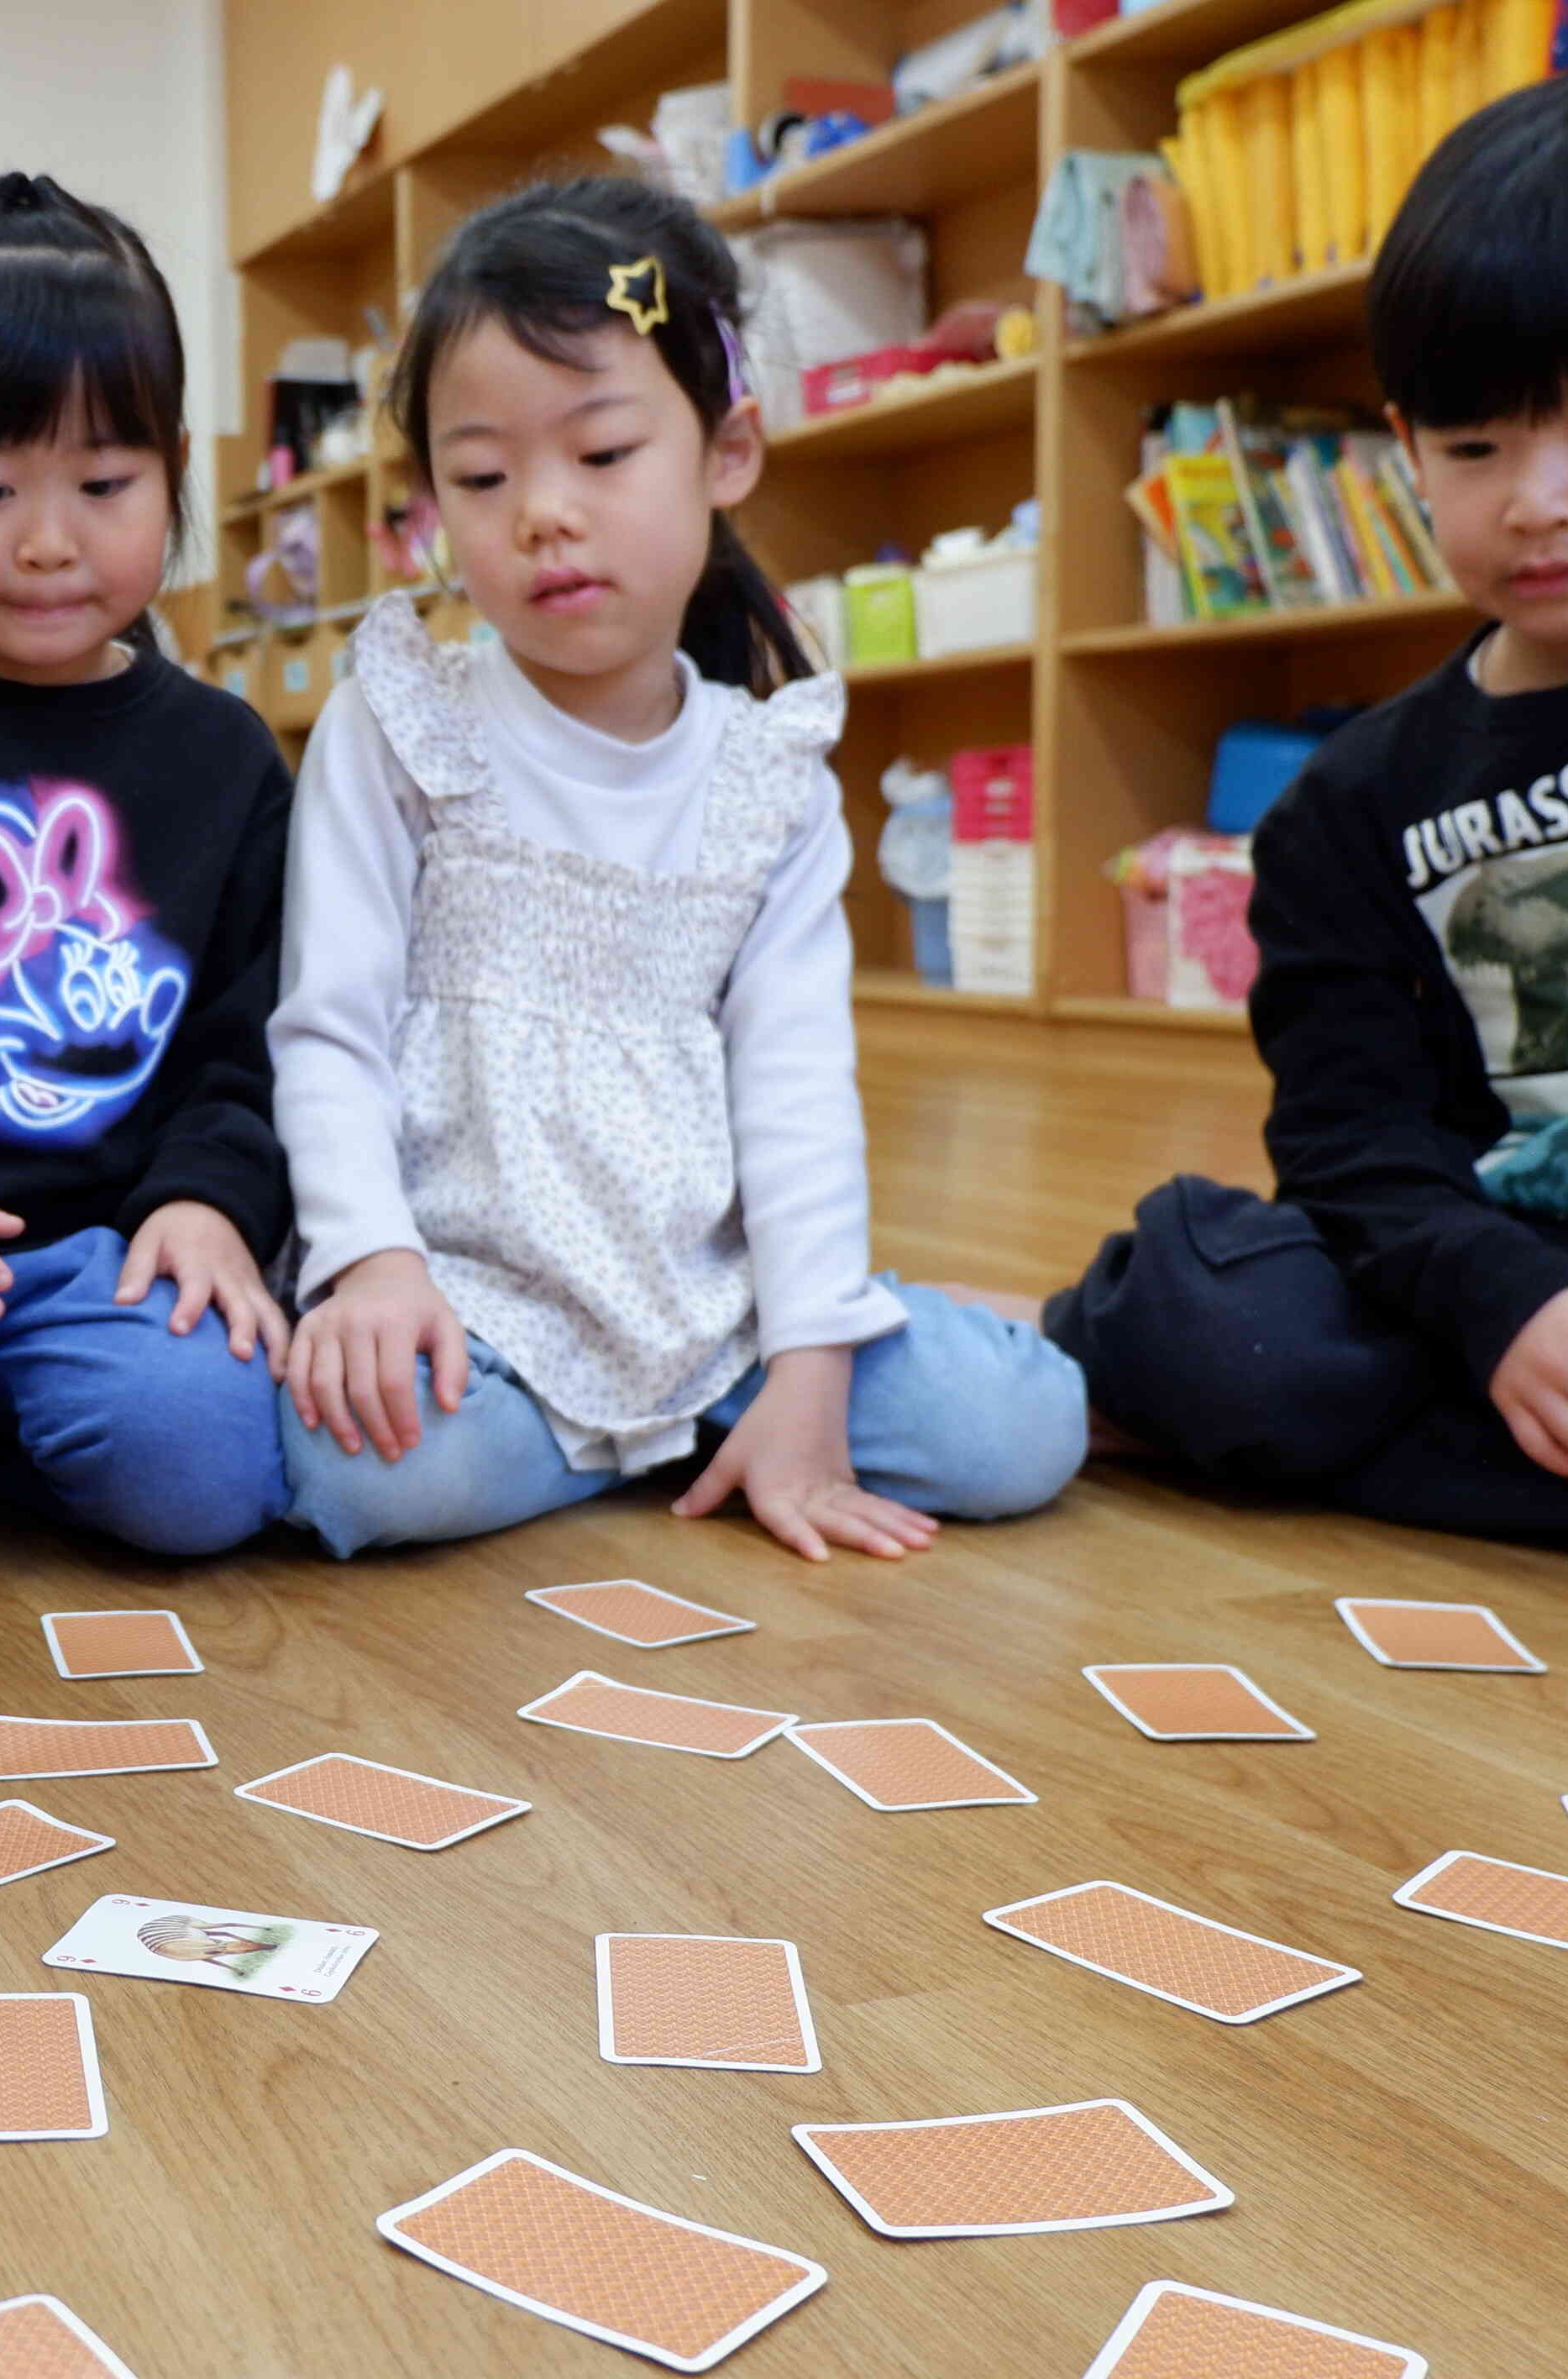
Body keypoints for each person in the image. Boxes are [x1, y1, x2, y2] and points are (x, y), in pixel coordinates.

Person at [268, 178, 1086, 1562]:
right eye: (482, 478)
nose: (541, 514)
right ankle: (632, 1434)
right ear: (430, 510)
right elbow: (328, 1028)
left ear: (727, 452)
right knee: (371, 1479)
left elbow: (795, 1080)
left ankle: (728, 1407)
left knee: (1021, 1427)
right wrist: (368, 1260)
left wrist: (815, 1362)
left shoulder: (766, 778)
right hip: (478, 1295)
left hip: (720, 1306)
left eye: (600, 454)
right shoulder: (403, 720)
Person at [1045, 69, 1568, 1577]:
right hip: (1519, 1279)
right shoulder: (1347, 807)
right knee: (1234, 1331)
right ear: (1401, 443)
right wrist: (1507, 1301)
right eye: (1474, 450)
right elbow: (1351, 1137)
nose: (1539, 500)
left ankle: (1507, 1467)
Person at [0, 172, 293, 1559]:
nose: (47, 539)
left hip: (115, 1252)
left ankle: (16, 1413)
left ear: (176, 478)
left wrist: (208, 1204)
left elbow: (251, 1043)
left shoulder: (225, 760)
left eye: (103, 483)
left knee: (199, 1476)